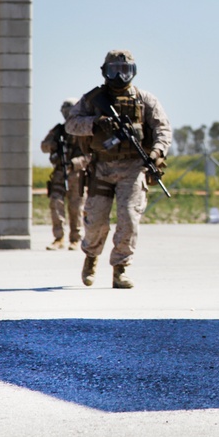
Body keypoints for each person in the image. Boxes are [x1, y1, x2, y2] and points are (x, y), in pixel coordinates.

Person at [65, 50, 171, 289]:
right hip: (101, 167)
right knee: (95, 222)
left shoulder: (145, 100)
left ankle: (120, 270)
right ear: (105, 71)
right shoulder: (93, 99)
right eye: (114, 71)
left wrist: (156, 153)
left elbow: (163, 129)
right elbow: (71, 124)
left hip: (133, 169)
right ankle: (91, 257)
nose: (120, 76)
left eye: (125, 71)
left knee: (129, 219)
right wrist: (95, 123)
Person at [40, 98, 89, 251]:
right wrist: (54, 145)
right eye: (65, 109)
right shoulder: (58, 130)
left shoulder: (83, 130)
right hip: (59, 174)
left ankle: (75, 239)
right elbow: (44, 146)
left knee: (76, 208)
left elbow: (91, 154)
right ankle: (58, 238)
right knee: (55, 203)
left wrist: (75, 162)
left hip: (77, 175)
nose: (67, 113)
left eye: (69, 109)